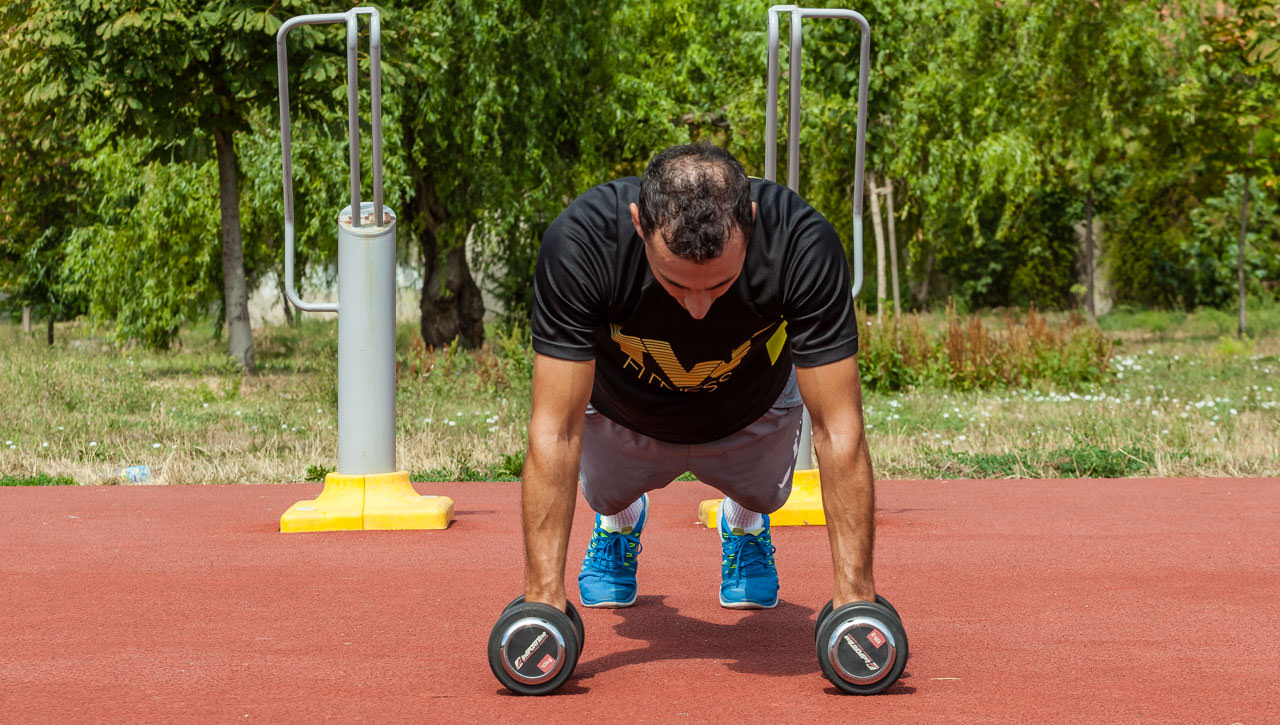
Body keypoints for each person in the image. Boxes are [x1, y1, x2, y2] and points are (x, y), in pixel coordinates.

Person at [523, 143, 876, 615]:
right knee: (604, 493)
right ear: (637, 224)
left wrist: (856, 602)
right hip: (623, 414)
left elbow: (838, 428)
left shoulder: (801, 243)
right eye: (675, 284)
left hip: (752, 409)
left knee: (764, 496)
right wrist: (542, 604)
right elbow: (555, 428)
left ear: (750, 221)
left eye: (718, 285)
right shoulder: (584, 242)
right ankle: (618, 523)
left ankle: (746, 524)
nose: (697, 309)